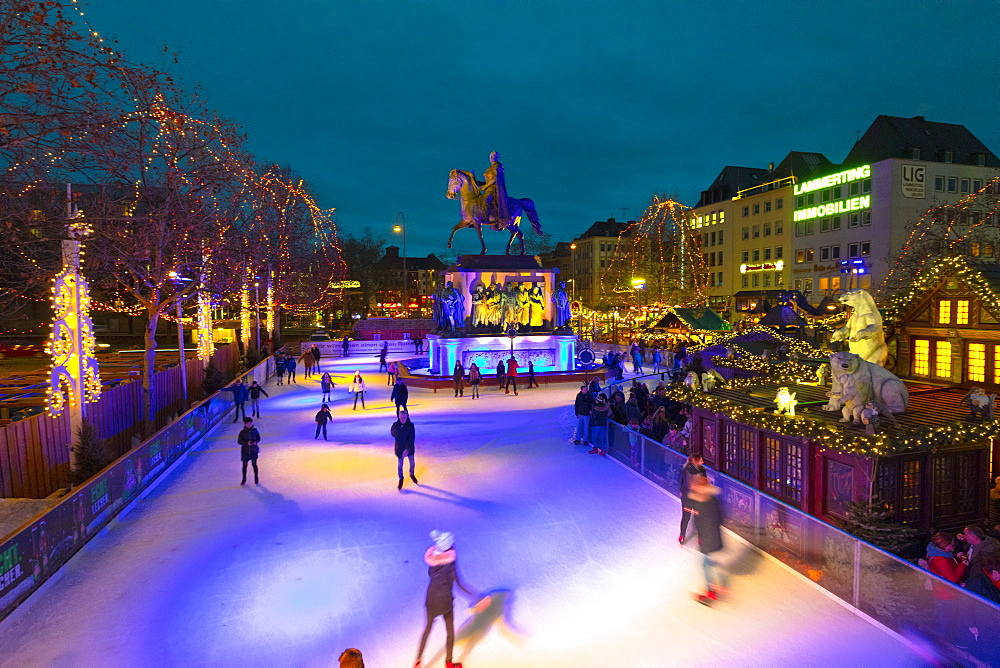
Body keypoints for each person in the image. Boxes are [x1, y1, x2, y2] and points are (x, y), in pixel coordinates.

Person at [414, 529, 477, 668]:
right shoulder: (450, 561)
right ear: (449, 546)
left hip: (430, 599)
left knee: (427, 630)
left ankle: (417, 662)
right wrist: (477, 596)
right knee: (450, 631)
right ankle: (449, 663)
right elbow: (460, 584)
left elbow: (433, 574)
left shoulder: (432, 560)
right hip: (445, 600)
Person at [686, 474, 728, 603]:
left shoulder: (701, 503)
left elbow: (699, 523)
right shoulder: (713, 500)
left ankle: (711, 592)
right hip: (713, 536)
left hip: (707, 538)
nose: (691, 487)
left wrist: (700, 538)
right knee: (706, 560)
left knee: (704, 564)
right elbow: (720, 518)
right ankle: (710, 563)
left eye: (693, 485)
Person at [679, 453, 707, 544]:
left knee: (690, 517)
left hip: (691, 498)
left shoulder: (687, 469)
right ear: (696, 462)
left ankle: (685, 536)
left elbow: (680, 481)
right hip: (691, 498)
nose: (703, 462)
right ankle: (684, 535)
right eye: (701, 460)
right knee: (692, 517)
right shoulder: (688, 470)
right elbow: (681, 481)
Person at [392, 409, 417, 491]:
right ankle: (401, 478)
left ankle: (412, 474)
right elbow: (393, 434)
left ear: (407, 416)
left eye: (404, 417)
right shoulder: (395, 425)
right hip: (399, 449)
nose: (403, 419)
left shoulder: (410, 426)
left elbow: (411, 438)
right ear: (399, 417)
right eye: (401, 417)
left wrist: (407, 449)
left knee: (412, 463)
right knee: (400, 465)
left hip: (409, 448)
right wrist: (396, 429)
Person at [237, 417, 260, 485]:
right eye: (248, 423)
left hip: (253, 451)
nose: (249, 424)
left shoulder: (255, 430)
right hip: (245, 451)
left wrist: (255, 442)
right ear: (245, 424)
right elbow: (239, 441)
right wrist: (246, 443)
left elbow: (258, 438)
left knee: (254, 465)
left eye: (250, 423)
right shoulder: (242, 432)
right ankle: (244, 478)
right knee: (244, 466)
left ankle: (256, 477)